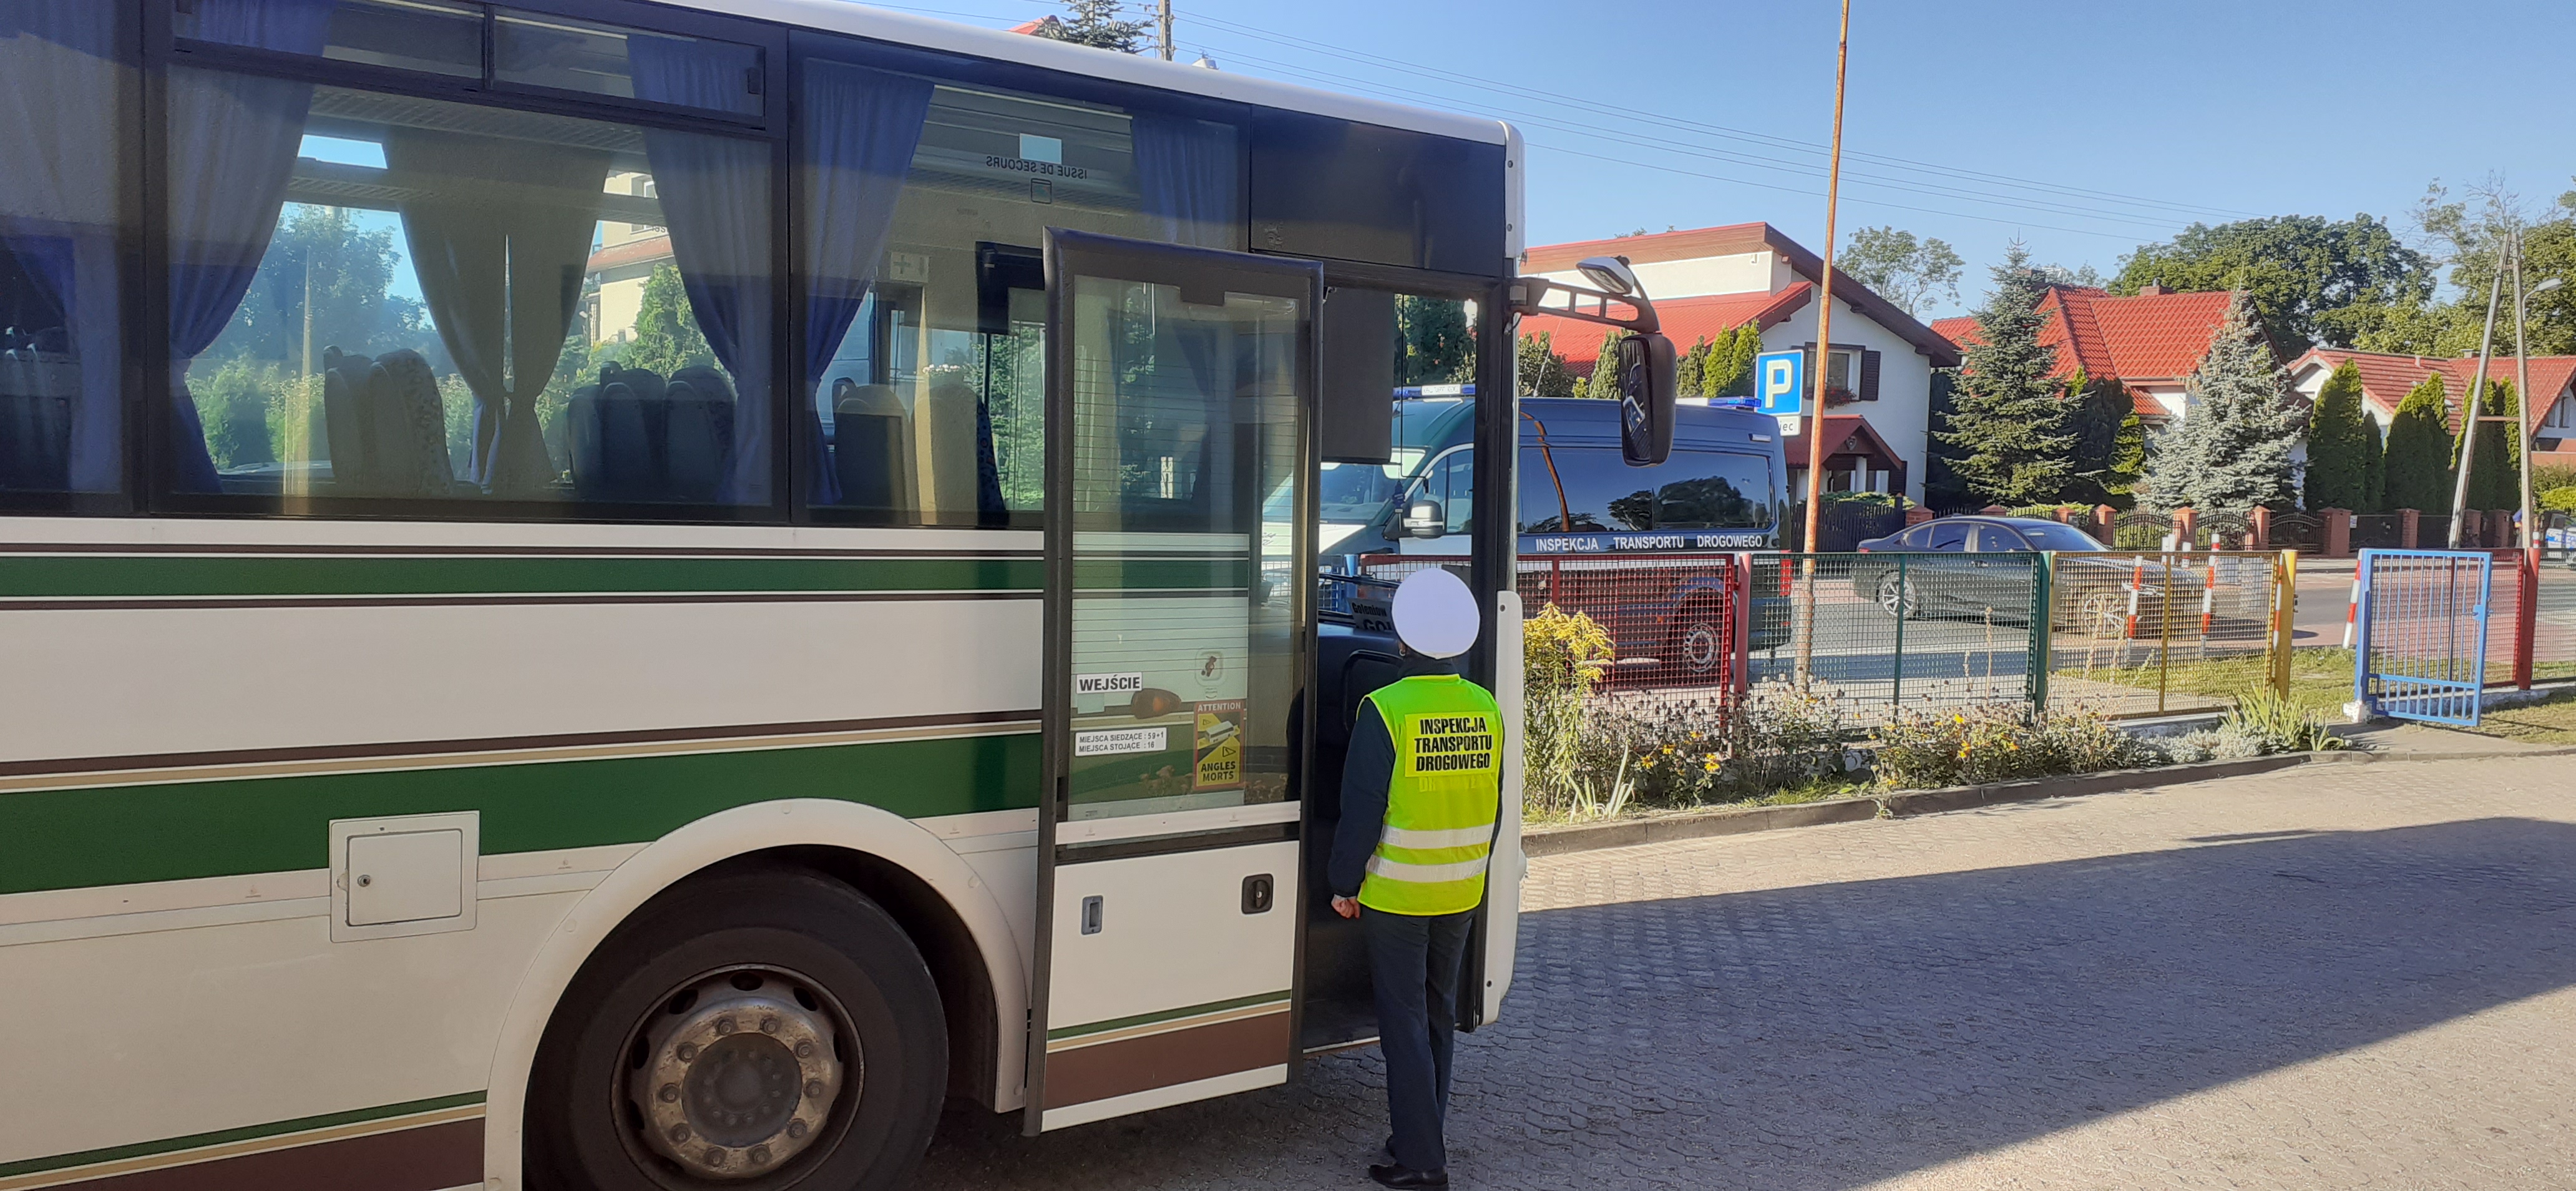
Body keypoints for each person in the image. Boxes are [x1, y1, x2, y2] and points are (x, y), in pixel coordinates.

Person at [1329, 567, 1504, 1190]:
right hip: (1461, 890)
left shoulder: (1386, 709)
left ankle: (1422, 1162)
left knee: (1402, 1023)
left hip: (1398, 894)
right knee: (1436, 1015)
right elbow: (1495, 804)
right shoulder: (1485, 706)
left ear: (1402, 639)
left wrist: (1344, 884)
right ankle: (1422, 1134)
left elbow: (1362, 810)